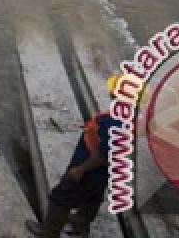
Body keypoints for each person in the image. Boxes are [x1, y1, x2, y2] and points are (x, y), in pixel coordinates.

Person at [26, 75, 125, 237]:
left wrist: (81, 169)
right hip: (104, 172)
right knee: (93, 197)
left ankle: (49, 232)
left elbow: (103, 154)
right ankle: (80, 225)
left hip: (89, 167)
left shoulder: (116, 122)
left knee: (61, 197)